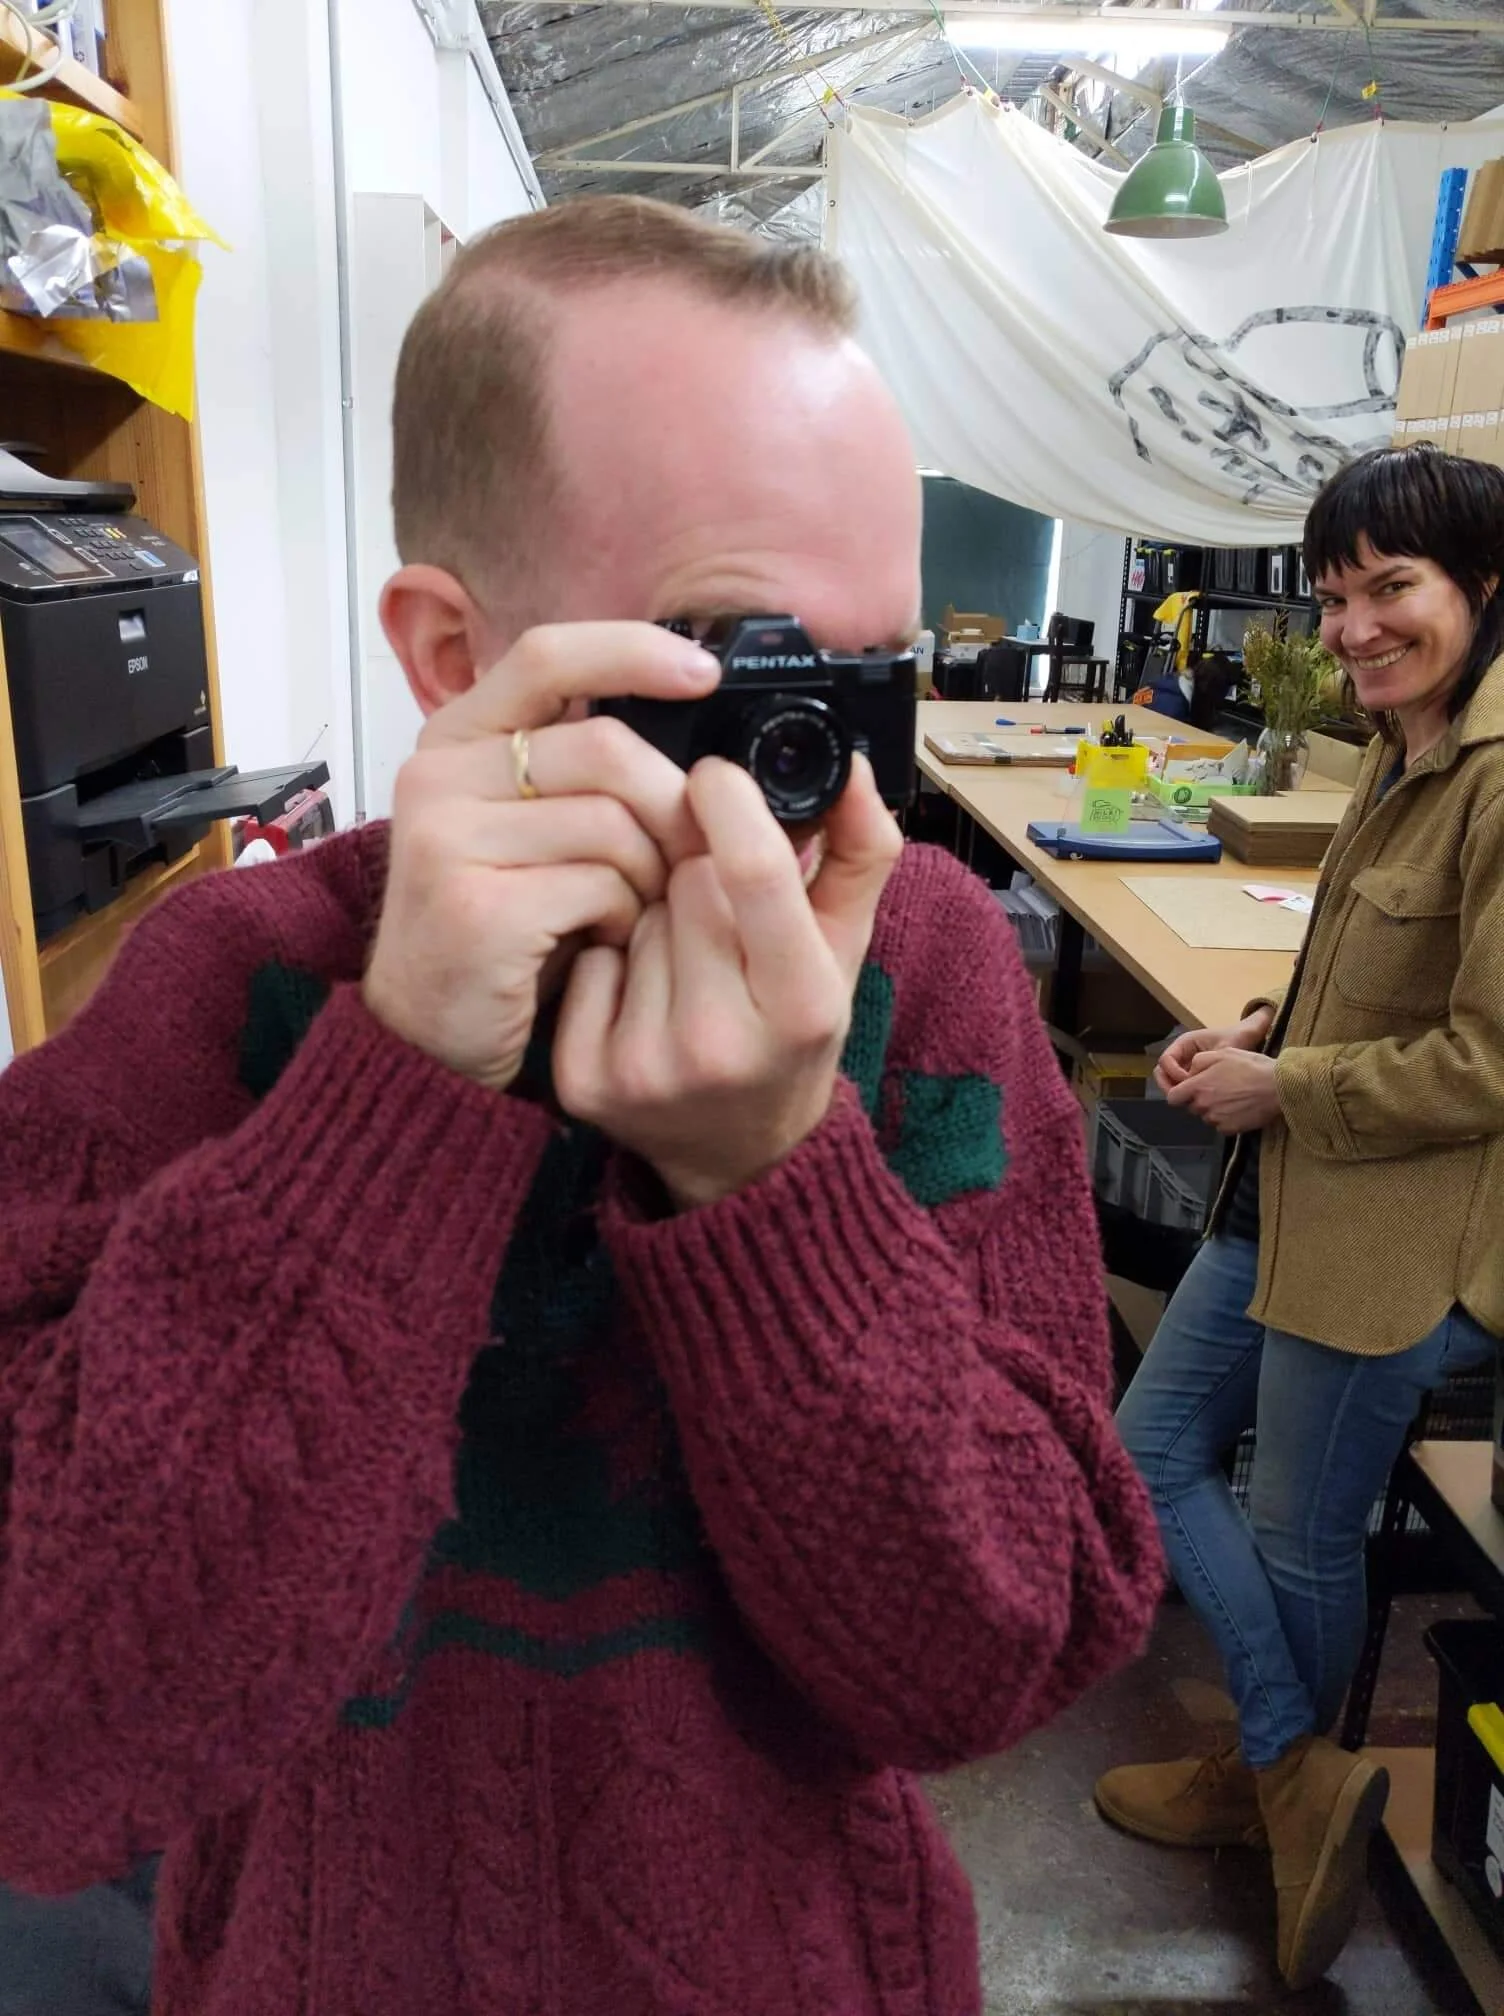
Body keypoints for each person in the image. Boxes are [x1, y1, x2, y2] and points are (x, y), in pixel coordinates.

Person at [0, 198, 1162, 2016]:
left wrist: (773, 1179)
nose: (818, 790)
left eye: (868, 687)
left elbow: (992, 1667)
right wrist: (391, 1100)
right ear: (458, 660)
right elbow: (54, 1738)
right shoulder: (225, 984)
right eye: (745, 661)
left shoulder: (921, 959)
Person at [1096, 442, 1504, 1990]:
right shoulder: (1411, 743)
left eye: (1389, 588)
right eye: (1335, 596)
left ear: (1479, 587)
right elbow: (1375, 971)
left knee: (1298, 1533)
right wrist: (1268, 1035)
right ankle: (1289, 1771)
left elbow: (1493, 1058)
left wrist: (1293, 1090)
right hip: (1295, 1190)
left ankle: (1268, 1781)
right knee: (1146, 1451)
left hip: (1399, 1236)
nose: (1350, 626)